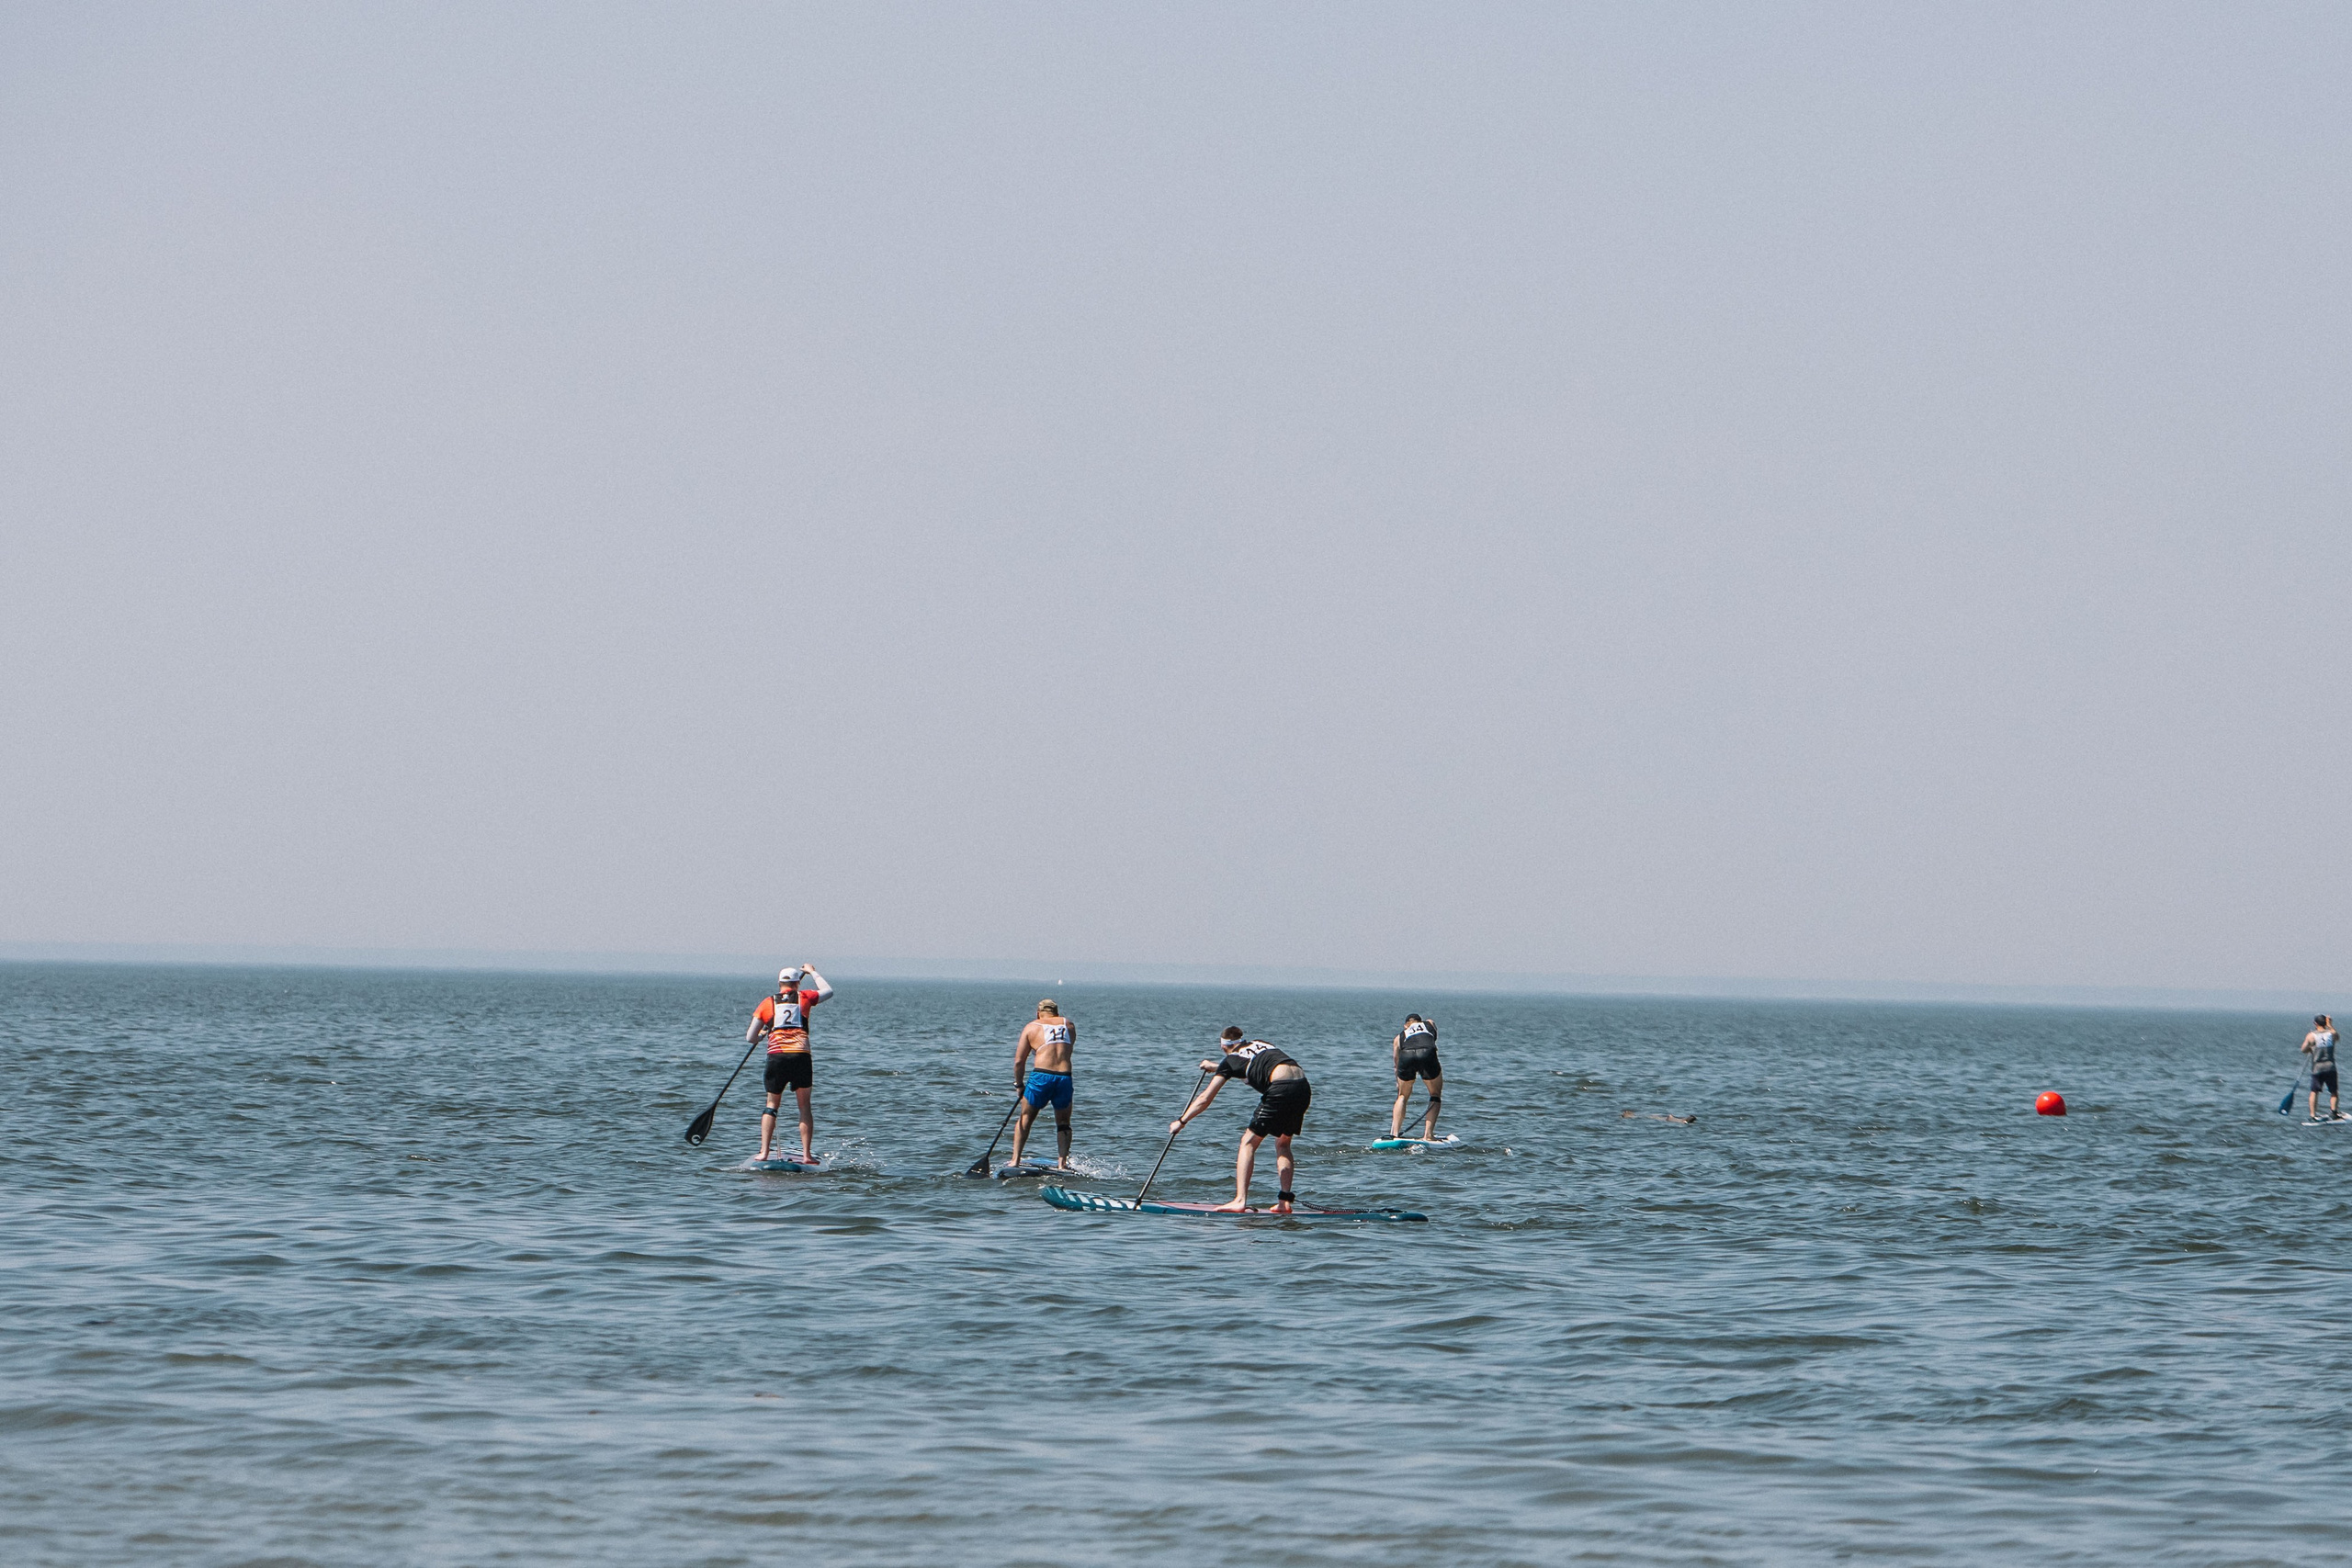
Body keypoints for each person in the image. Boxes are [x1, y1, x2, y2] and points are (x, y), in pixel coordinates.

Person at [1170, 1027, 1311, 1213]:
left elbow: (1205, 1098)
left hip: (1281, 1088)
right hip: (1302, 1087)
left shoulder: (1230, 1060)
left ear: (1223, 1047)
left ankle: (1239, 1200)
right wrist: (1217, 1067)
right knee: (1283, 1144)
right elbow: (1255, 1065)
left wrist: (1182, 1121)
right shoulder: (1261, 1043)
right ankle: (1284, 1203)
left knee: (1247, 1143)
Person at [746, 964, 832, 1161]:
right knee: (804, 1107)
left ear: (780, 983)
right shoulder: (805, 997)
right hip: (801, 1056)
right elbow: (828, 991)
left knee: (771, 1105)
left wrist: (761, 1035)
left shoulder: (767, 1003)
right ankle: (807, 1155)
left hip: (777, 1057)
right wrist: (812, 972)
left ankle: (764, 1152)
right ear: (797, 983)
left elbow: (750, 1037)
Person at [1008, 998, 1077, 1169]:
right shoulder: (1069, 1025)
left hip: (1041, 1077)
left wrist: (1019, 1085)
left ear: (1038, 1013)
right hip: (1064, 1077)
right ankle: (1063, 1164)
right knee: (1063, 1122)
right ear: (1057, 1013)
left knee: (1026, 1118)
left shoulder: (1032, 1027)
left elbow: (1019, 1061)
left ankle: (1015, 1160)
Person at [1389, 1012, 1442, 1139]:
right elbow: (1433, 1037)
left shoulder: (1398, 1038)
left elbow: (1396, 1062)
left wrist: (1398, 1080)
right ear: (1420, 1021)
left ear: (1405, 1026)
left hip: (1406, 1055)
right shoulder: (1429, 1022)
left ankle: (1394, 1134)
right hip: (1426, 1052)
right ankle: (1428, 1135)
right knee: (1435, 1094)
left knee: (1402, 1095)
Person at [2303, 1013, 2342, 1122]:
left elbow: (2303, 1049)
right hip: (2330, 1067)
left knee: (2314, 1091)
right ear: (2325, 1023)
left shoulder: (2311, 1036)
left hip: (2317, 1068)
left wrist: (2310, 1049)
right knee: (2334, 1091)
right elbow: (2337, 1037)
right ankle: (2333, 1112)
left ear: (2315, 1023)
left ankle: (2312, 1115)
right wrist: (2330, 1025)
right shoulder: (2331, 1033)